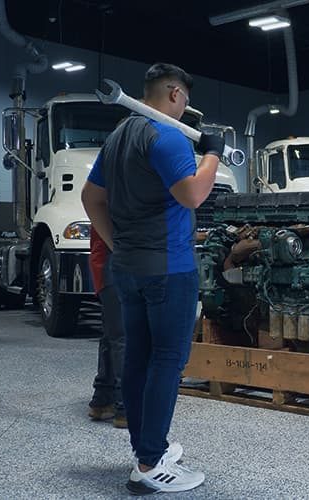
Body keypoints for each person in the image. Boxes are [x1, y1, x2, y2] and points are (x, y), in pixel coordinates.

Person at [81, 62, 225, 494]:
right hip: (169, 269)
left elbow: (91, 198)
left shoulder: (119, 135)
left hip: (127, 267)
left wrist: (118, 244)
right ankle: (149, 465)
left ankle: (148, 449)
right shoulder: (168, 136)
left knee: (139, 358)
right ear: (176, 95)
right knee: (166, 362)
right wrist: (213, 153)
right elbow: (193, 193)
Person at [86, 228, 126, 429]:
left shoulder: (104, 197)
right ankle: (125, 407)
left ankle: (102, 400)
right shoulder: (121, 198)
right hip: (120, 265)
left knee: (111, 335)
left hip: (104, 265)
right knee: (123, 338)